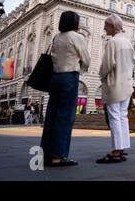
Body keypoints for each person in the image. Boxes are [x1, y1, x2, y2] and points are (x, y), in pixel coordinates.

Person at [40, 11, 90, 167]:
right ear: (75, 23)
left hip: (54, 78)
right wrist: (80, 69)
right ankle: (57, 155)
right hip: (69, 77)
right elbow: (86, 60)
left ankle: (46, 153)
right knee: (65, 117)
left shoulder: (57, 37)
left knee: (52, 115)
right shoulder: (77, 37)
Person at [96, 14, 134, 164]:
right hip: (127, 84)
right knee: (123, 116)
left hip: (114, 83)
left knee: (114, 117)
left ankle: (116, 151)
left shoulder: (113, 42)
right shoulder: (127, 42)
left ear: (112, 26)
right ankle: (122, 147)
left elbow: (107, 65)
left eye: (106, 26)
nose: (104, 28)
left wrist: (101, 76)